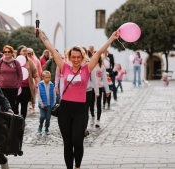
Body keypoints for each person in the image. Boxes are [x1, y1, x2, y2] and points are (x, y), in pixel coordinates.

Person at [36, 27, 119, 169]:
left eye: (78, 57)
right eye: (73, 57)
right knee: (67, 142)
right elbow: (52, 50)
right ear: (69, 57)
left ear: (82, 57)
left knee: (77, 140)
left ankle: (77, 166)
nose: (75, 59)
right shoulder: (65, 67)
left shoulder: (87, 68)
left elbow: (99, 52)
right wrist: (41, 35)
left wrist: (111, 38)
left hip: (80, 110)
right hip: (65, 110)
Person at [0, 45, 23, 113]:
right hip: (2, 88)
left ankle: (13, 122)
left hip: (13, 88)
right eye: (5, 52)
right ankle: (4, 123)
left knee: (13, 106)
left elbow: (20, 75)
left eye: (8, 51)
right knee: (4, 106)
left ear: (12, 53)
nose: (7, 53)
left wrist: (17, 86)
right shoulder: (0, 62)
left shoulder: (16, 62)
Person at [15, 45, 39, 120]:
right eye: (24, 51)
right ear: (19, 52)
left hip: (26, 88)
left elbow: (35, 72)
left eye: (26, 51)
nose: (26, 52)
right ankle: (15, 122)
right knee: (15, 106)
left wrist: (38, 82)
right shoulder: (14, 61)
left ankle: (22, 121)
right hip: (16, 88)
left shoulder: (29, 61)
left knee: (24, 106)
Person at [37, 71, 56, 135]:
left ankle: (47, 128)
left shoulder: (52, 85)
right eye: (46, 77)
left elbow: (54, 95)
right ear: (43, 77)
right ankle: (40, 126)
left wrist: (54, 103)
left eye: (49, 77)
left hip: (49, 105)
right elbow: (39, 95)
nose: (48, 79)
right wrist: (40, 103)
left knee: (48, 118)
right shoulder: (40, 85)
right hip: (42, 105)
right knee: (42, 116)